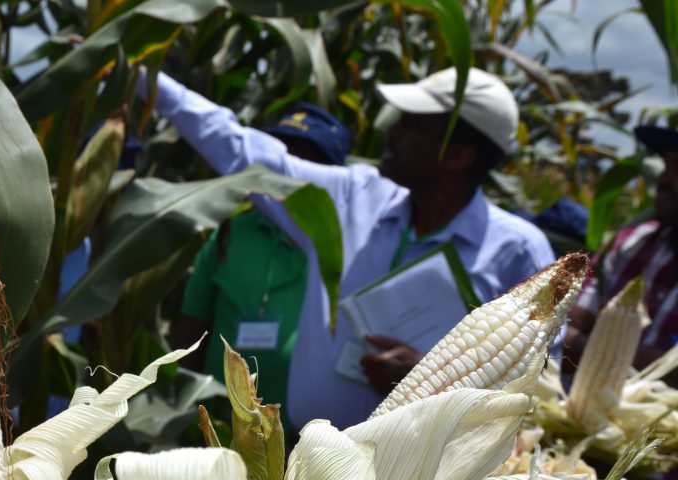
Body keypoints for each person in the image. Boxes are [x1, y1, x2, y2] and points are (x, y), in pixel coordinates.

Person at [142, 66, 555, 429]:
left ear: (459, 155)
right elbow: (241, 151)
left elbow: (539, 390)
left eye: (412, 125)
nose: (391, 131)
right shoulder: (349, 199)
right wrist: (144, 78)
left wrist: (434, 382)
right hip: (304, 460)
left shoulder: (518, 252)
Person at [171, 104, 351, 428]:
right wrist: (178, 411)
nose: (284, 173)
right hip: (221, 428)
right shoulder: (229, 232)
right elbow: (191, 331)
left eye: (302, 162)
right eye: (279, 159)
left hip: (312, 437)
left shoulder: (347, 244)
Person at [564, 124, 678, 384]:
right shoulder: (630, 243)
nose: (661, 179)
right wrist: (645, 360)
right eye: (666, 165)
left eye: (677, 168)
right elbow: (561, 333)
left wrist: (596, 345)